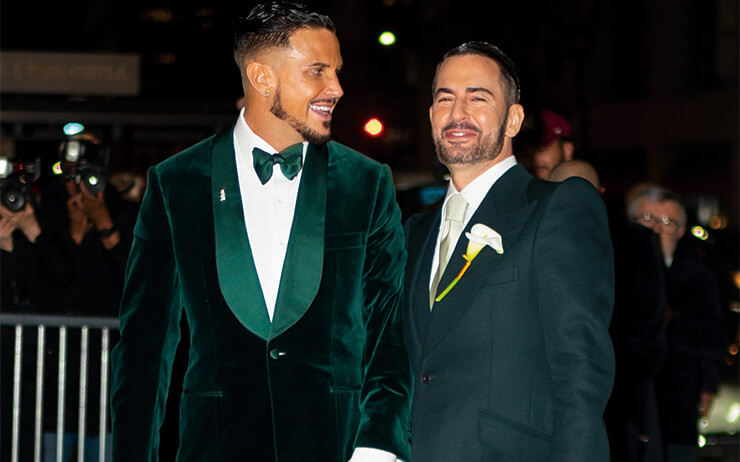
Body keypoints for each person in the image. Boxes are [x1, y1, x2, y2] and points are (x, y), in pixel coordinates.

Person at [110, 3, 411, 461]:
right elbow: (143, 349)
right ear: (261, 77)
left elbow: (389, 329)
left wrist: (380, 446)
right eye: (318, 71)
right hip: (214, 447)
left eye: (337, 71)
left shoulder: (367, 183)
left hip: (337, 447)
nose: (336, 88)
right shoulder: (176, 184)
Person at [403, 41, 615, 461]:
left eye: (477, 98)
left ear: (514, 119)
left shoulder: (557, 207)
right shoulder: (414, 232)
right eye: (445, 98)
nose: (457, 113)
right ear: (430, 116)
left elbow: (580, 372)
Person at [550, 161, 667, 462]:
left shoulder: (634, 240)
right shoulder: (635, 240)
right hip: (600, 394)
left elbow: (650, 327)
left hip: (615, 396)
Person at [628, 187, 725, 462]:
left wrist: (670, 321)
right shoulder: (613, 272)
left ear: (681, 231)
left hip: (675, 411)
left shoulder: (698, 279)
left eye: (668, 222)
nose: (657, 229)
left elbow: (715, 340)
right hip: (627, 410)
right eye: (648, 218)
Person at [529, 109, 574, 179]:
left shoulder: (580, 184)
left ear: (567, 150)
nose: (536, 157)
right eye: (532, 150)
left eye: (542, 150)